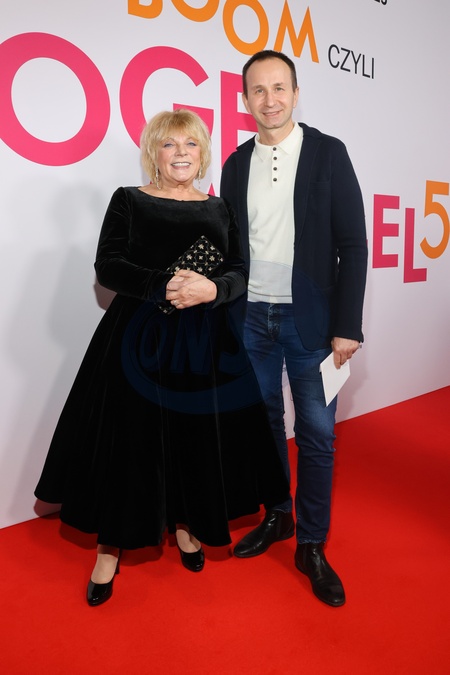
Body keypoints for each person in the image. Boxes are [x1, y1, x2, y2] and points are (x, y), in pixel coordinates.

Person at [34, 109, 289, 606]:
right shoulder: (129, 200)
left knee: (193, 437)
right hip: (139, 337)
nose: (180, 154)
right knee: (131, 443)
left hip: (203, 342)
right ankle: (110, 547)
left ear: (202, 152)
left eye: (190, 145)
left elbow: (239, 269)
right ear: (154, 151)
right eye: (170, 144)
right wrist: (164, 285)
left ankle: (187, 526)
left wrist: (213, 289)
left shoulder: (219, 209)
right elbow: (108, 265)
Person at [220, 50, 368, 607]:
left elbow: (353, 245)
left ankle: (311, 543)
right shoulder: (236, 163)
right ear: (245, 100)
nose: (270, 100)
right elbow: (230, 249)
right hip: (251, 318)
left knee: (318, 434)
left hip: (314, 323)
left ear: (296, 93)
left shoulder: (329, 152)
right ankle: (278, 514)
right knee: (263, 426)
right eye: (258, 90)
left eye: (279, 87)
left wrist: (347, 325)